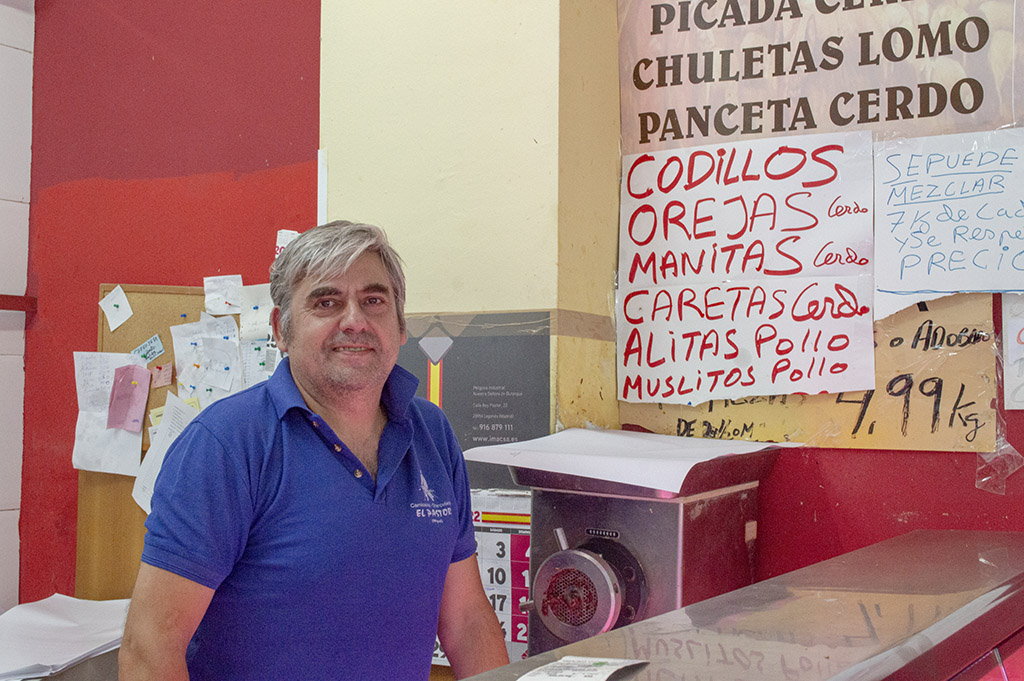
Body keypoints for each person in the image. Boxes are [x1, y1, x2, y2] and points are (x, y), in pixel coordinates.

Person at [119, 221, 510, 680]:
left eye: (374, 300)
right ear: (280, 330)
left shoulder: (432, 436)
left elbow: (466, 621)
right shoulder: (225, 445)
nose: (355, 320)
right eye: (326, 302)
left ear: (401, 326)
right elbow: (149, 650)